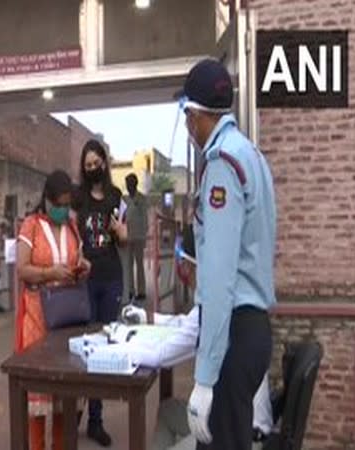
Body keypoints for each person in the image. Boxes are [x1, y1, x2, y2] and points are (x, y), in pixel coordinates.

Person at [179, 59, 277, 450]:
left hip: (233, 336)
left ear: (195, 115)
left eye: (187, 116)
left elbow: (218, 280)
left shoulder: (222, 163)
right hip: (252, 330)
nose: (187, 128)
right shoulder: (251, 154)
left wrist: (204, 378)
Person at [121, 227, 272, 450]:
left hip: (237, 435)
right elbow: (188, 323)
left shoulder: (214, 309)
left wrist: (116, 350)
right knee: (167, 411)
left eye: (183, 262)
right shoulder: (229, 295)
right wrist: (147, 317)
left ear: (196, 265)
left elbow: (160, 355)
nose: (182, 270)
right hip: (232, 419)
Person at [16, 170, 92, 450]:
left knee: (63, 399)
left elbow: (77, 258)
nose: (63, 209)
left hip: (68, 319)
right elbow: (22, 270)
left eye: (66, 204)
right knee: (40, 398)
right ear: (47, 200)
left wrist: (82, 267)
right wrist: (50, 273)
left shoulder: (72, 226)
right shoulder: (31, 225)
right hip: (38, 317)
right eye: (58, 203)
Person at [72, 139, 128, 447]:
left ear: (105, 163)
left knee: (104, 347)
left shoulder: (116, 196)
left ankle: (96, 420)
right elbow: (69, 231)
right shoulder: (78, 198)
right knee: (83, 347)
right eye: (87, 165)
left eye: (96, 163)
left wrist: (121, 234)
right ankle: (75, 412)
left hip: (111, 278)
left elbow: (123, 236)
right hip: (85, 280)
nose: (92, 168)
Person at [122, 173, 149, 302]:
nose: (129, 186)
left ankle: (142, 291)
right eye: (127, 184)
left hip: (138, 236)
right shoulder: (124, 200)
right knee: (128, 265)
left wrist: (144, 235)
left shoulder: (142, 199)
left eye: (130, 184)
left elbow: (145, 218)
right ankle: (130, 290)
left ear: (135, 184)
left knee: (139, 265)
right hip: (127, 236)